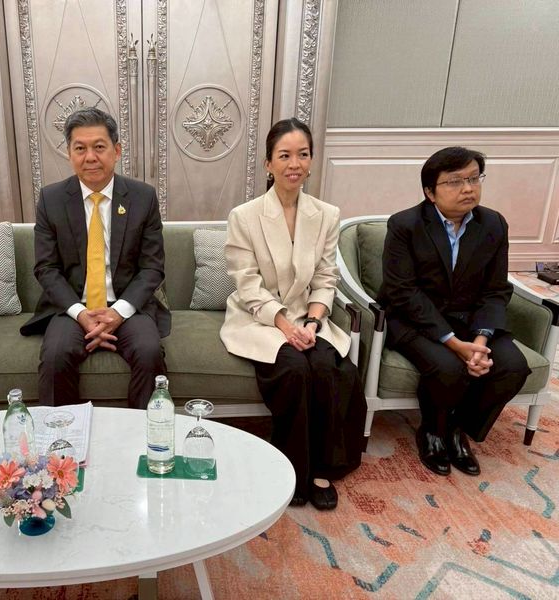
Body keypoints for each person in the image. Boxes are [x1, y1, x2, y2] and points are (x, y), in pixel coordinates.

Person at [220, 118, 365, 509]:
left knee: (329, 368)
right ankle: (292, 469)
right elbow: (248, 285)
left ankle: (322, 468)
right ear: (268, 163)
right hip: (260, 318)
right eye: (284, 155)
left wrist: (313, 322)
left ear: (312, 160)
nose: (294, 164)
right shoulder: (244, 216)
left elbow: (326, 278)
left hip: (308, 316)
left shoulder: (326, 214)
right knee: (294, 369)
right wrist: (286, 326)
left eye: (302, 154)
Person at [378, 146, 530, 477]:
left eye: (474, 179)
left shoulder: (493, 224)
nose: (467, 188)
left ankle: (457, 428)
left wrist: (480, 340)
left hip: (470, 321)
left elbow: (495, 290)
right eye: (455, 181)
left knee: (513, 367)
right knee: (449, 367)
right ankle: (432, 431)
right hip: (415, 320)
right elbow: (403, 292)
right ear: (430, 192)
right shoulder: (405, 225)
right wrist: (453, 343)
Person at [21, 107, 169, 409]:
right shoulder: (51, 199)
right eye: (80, 148)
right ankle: (62, 435)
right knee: (55, 355)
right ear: (69, 153)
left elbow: (152, 267)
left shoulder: (142, 197)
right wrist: (81, 314)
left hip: (127, 305)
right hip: (72, 307)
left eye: (99, 147)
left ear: (116, 151)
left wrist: (119, 312)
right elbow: (47, 268)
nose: (90, 157)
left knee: (149, 351)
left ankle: (143, 431)